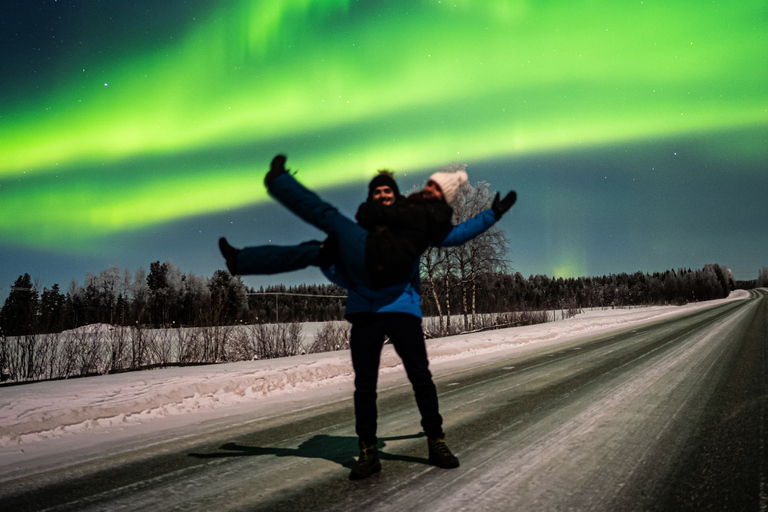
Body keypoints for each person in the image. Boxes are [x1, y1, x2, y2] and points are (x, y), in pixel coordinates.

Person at [219, 155, 517, 480]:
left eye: (388, 192)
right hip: (365, 311)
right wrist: (333, 264)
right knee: (364, 385)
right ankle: (367, 450)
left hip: (401, 309)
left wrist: (492, 214)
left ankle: (437, 441)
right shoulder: (359, 231)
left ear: (395, 195)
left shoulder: (412, 222)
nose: (383, 196)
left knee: (421, 378)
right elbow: (343, 272)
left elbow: (455, 235)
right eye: (377, 192)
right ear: (371, 196)